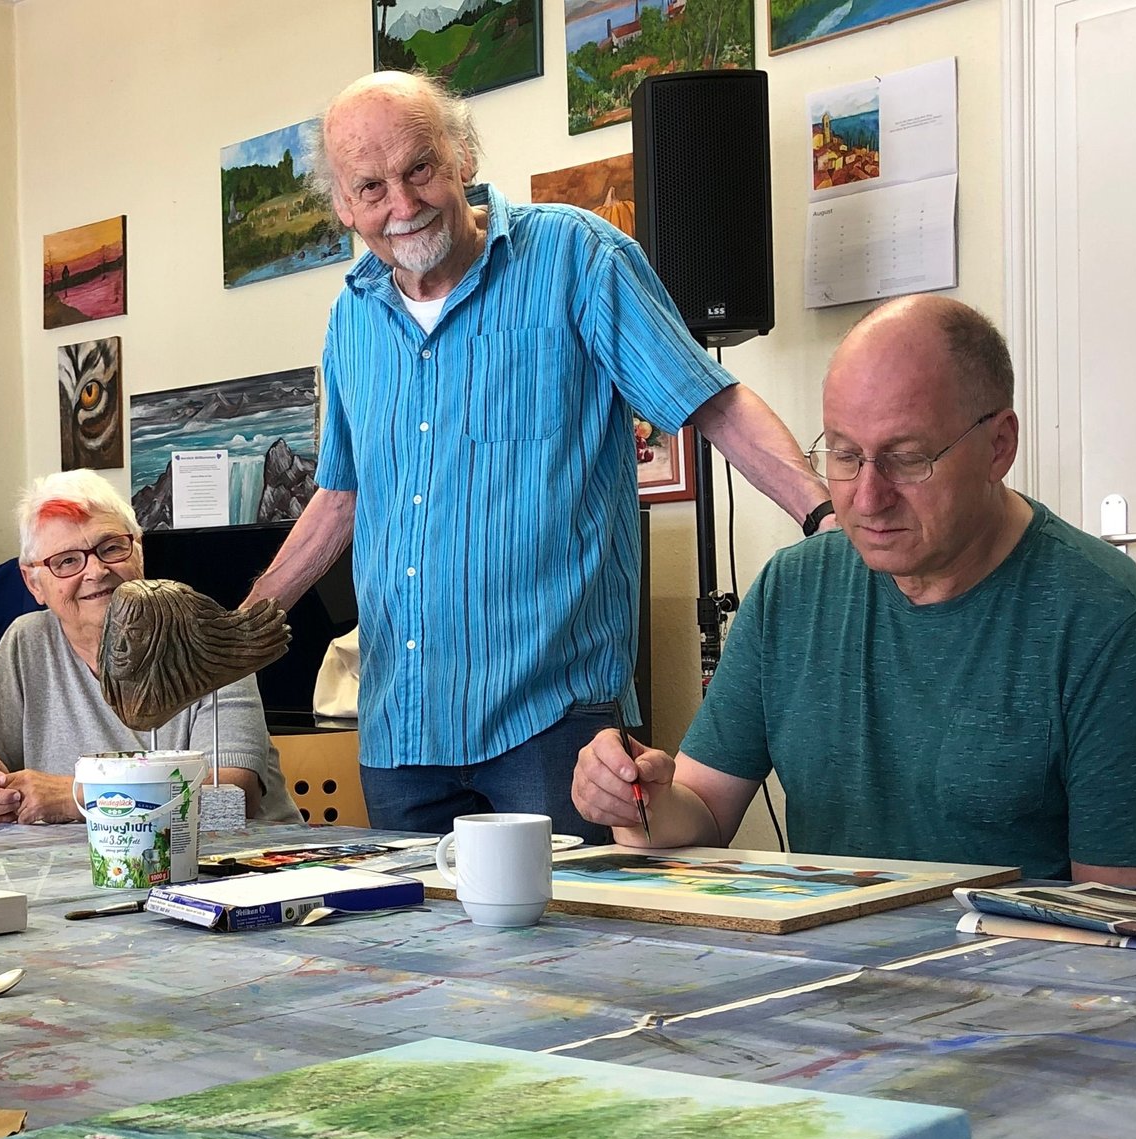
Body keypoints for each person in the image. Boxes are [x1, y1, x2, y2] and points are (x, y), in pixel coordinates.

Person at [244, 71, 831, 837]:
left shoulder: (575, 259)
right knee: (411, 956)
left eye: (419, 168)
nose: (402, 203)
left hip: (555, 726)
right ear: (344, 206)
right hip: (402, 731)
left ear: (462, 156)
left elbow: (709, 402)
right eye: (371, 186)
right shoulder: (351, 319)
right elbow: (342, 497)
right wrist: (244, 623)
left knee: (573, 951)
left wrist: (824, 518)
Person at [572, 295, 1136, 885]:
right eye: (844, 456)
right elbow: (703, 812)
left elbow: (1126, 927)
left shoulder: (1111, 623)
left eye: (908, 458)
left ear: (999, 446)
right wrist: (642, 800)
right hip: (826, 983)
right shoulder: (793, 593)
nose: (867, 499)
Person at [0, 470, 300, 827]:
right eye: (66, 561)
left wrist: (76, 797)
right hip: (97, 875)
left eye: (111, 548)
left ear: (138, 551)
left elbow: (231, 801)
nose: (95, 570)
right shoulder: (27, 643)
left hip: (243, 871)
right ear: (34, 583)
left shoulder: (211, 637)